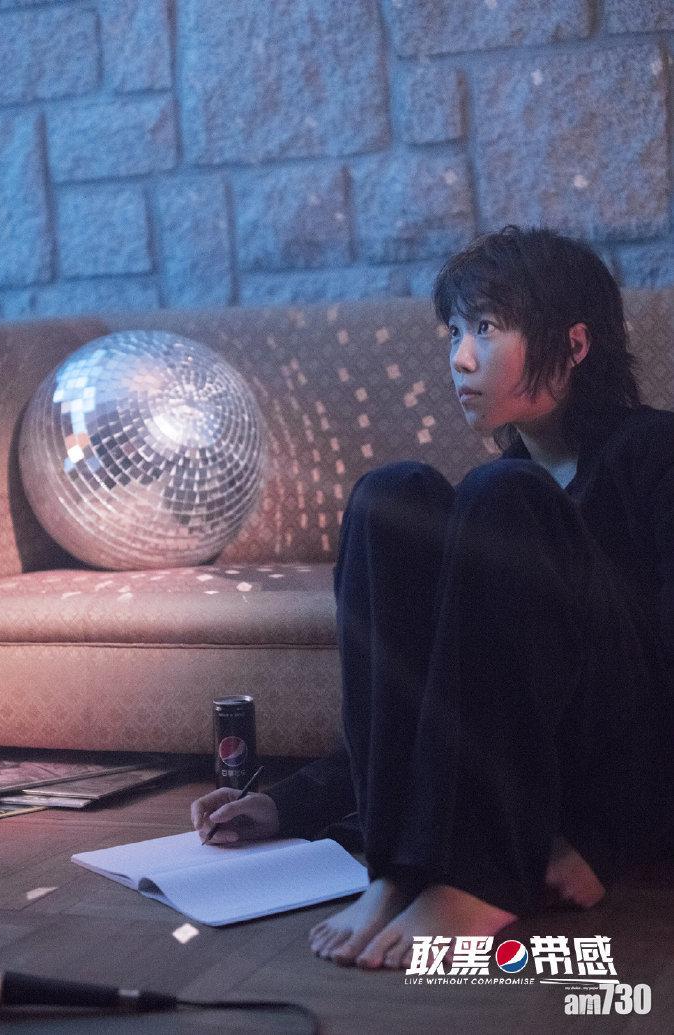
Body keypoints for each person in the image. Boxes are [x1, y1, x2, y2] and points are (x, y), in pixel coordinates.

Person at [192, 226, 674, 970]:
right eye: (455, 331)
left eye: (488, 327)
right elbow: (435, 684)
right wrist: (292, 801)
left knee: (501, 492)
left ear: (575, 345)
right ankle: (400, 866)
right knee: (393, 495)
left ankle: (478, 877)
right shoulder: (499, 495)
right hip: (523, 790)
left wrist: (608, 842)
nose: (461, 357)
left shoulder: (652, 455)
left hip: (612, 784)